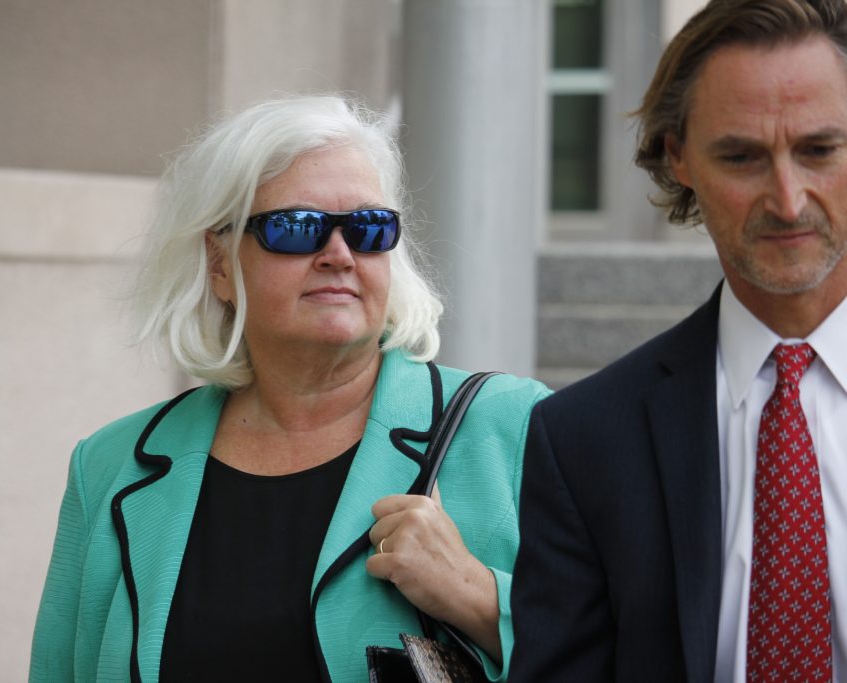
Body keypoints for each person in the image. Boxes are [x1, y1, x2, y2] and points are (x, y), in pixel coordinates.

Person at [29, 95, 549, 682]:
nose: (339, 254)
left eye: (367, 228)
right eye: (297, 228)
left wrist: (480, 600)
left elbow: (629, 652)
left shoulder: (516, 428)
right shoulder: (110, 466)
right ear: (220, 263)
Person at [507, 1, 847, 681]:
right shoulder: (583, 440)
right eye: (742, 156)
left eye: (819, 149)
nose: (787, 199)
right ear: (679, 157)